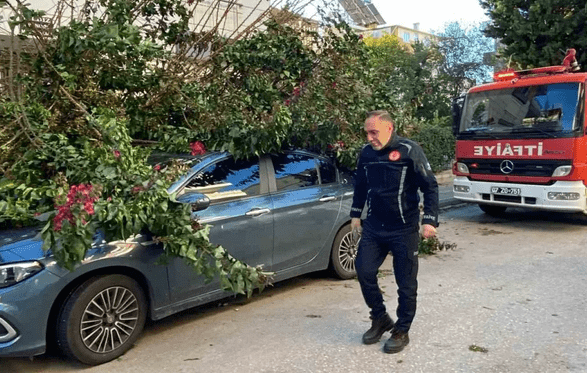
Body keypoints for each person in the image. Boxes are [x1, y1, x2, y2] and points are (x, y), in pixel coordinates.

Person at [351, 110, 439, 354]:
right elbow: (360, 185)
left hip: (404, 229)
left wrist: (430, 221)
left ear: (389, 128)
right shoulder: (366, 153)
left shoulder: (409, 150)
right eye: (367, 132)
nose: (369, 137)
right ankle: (379, 319)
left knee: (406, 283)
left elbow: (430, 186)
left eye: (374, 132)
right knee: (364, 270)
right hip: (375, 227)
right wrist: (356, 214)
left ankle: (402, 329)